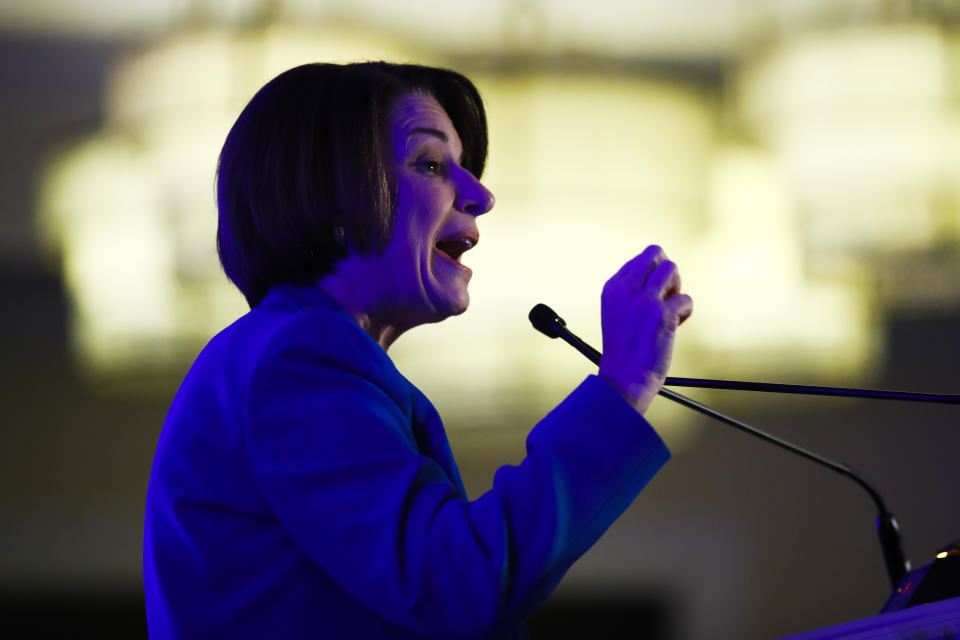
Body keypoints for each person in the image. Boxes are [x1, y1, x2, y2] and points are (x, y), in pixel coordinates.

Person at [143, 61, 693, 639]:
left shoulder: (286, 351)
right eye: (431, 164)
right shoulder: (300, 355)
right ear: (328, 197)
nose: (480, 195)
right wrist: (622, 385)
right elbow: (452, 585)